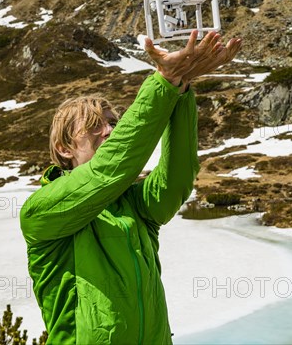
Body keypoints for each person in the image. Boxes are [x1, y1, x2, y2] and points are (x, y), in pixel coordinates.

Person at [20, 31, 242, 345]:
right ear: (65, 148)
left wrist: (181, 89)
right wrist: (163, 81)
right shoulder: (41, 211)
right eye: (95, 126)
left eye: (113, 122)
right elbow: (108, 171)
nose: (109, 130)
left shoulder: (134, 204)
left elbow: (176, 179)